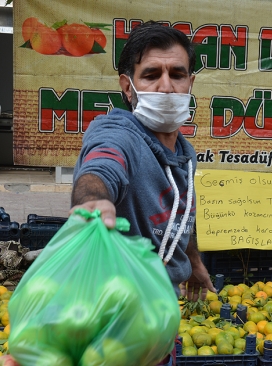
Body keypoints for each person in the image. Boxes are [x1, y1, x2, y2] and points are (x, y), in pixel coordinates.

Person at [69, 21, 216, 300]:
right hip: (111, 308)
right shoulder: (119, 135)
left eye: (177, 74)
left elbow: (179, 215)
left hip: (160, 308)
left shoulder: (185, 156)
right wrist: (92, 200)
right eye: (151, 75)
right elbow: (103, 163)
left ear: (190, 82)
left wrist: (193, 262)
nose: (166, 87)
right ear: (128, 87)